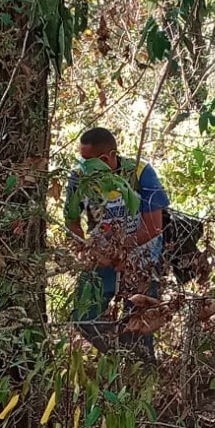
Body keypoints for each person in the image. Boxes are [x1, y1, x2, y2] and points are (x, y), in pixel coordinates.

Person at [64, 127, 170, 358]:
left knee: (138, 328)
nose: (84, 167)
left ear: (106, 158)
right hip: (101, 261)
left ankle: (139, 371)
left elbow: (153, 226)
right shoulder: (79, 178)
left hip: (141, 262)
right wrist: (84, 250)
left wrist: (120, 250)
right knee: (84, 318)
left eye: (88, 161)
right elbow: (72, 221)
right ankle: (116, 357)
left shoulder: (140, 173)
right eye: (81, 160)